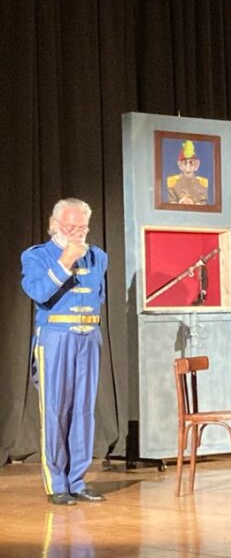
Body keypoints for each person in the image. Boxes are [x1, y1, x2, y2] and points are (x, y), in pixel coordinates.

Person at [21, 198, 108, 505]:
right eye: (72, 227)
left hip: (89, 336)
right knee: (56, 409)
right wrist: (65, 261)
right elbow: (38, 293)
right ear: (54, 224)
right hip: (56, 336)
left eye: (83, 227)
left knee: (83, 410)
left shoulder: (98, 256)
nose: (78, 233)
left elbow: (98, 296)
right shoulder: (37, 255)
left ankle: (77, 480)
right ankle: (56, 483)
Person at [167, 140, 208, 205]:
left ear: (196, 165)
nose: (188, 167)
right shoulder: (172, 182)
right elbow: (171, 203)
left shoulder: (202, 183)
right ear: (180, 165)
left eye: (191, 163)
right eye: (185, 163)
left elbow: (203, 204)